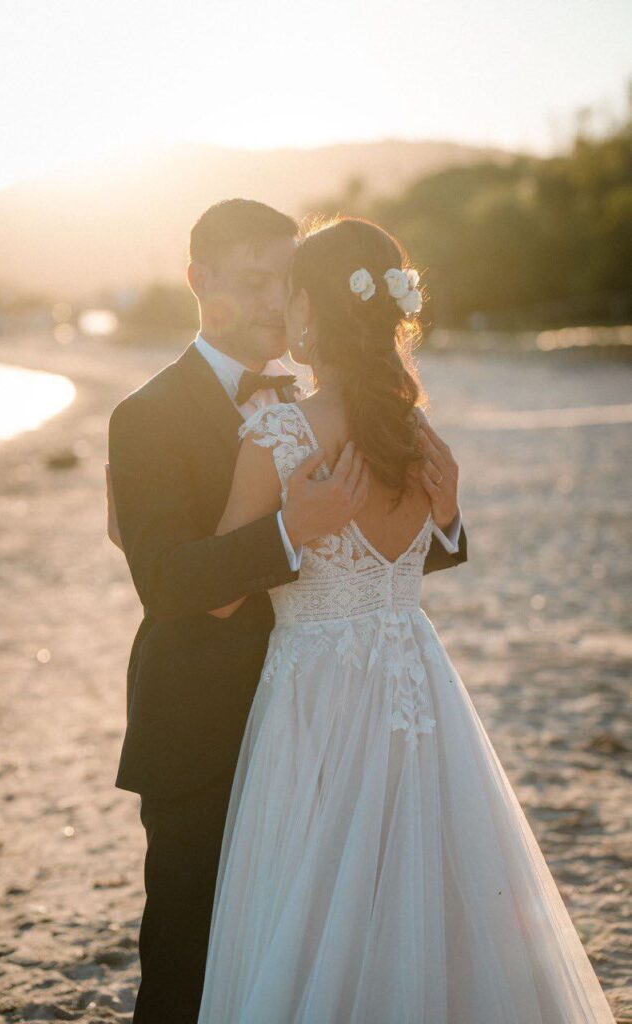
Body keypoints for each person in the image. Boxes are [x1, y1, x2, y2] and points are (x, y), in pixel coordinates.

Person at [196, 216, 616, 1023]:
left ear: (310, 309)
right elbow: (415, 553)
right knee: (418, 881)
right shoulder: (416, 435)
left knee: (316, 892)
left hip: (317, 698)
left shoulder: (281, 434)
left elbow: (217, 593)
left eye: (291, 295)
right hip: (418, 690)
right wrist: (446, 515)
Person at [106, 199, 467, 1023]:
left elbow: (374, 551)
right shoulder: (146, 416)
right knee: (192, 954)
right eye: (255, 281)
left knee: (331, 946)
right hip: (202, 725)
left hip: (327, 721)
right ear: (199, 280)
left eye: (288, 280)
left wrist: (447, 519)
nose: (277, 301)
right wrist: (284, 532)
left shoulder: (321, 401)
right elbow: (165, 582)